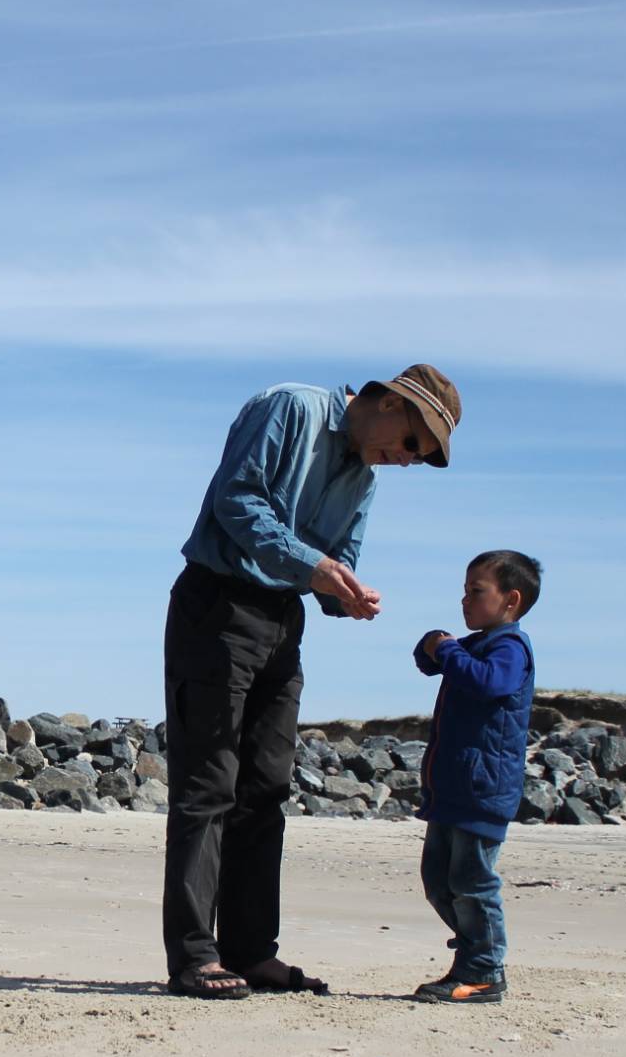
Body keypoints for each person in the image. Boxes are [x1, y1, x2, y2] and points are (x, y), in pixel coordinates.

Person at [162, 365, 464, 1000]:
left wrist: (345, 593)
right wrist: (315, 565)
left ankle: (251, 952)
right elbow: (237, 500)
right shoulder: (292, 408)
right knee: (208, 786)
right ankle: (195, 956)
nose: (408, 461)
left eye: (422, 458)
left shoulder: (364, 478)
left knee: (266, 789)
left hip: (281, 622)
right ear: (386, 402)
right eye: (413, 444)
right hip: (217, 605)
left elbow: (339, 560)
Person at [409, 549, 541, 1004]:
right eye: (464, 591)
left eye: (476, 592)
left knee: (472, 881)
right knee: (438, 880)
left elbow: (488, 683)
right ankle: (474, 947)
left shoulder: (509, 648)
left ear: (511, 600)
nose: (465, 600)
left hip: (483, 788)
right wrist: (434, 644)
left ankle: (484, 968)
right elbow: (428, 661)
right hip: (451, 788)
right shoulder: (475, 644)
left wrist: (445, 648)